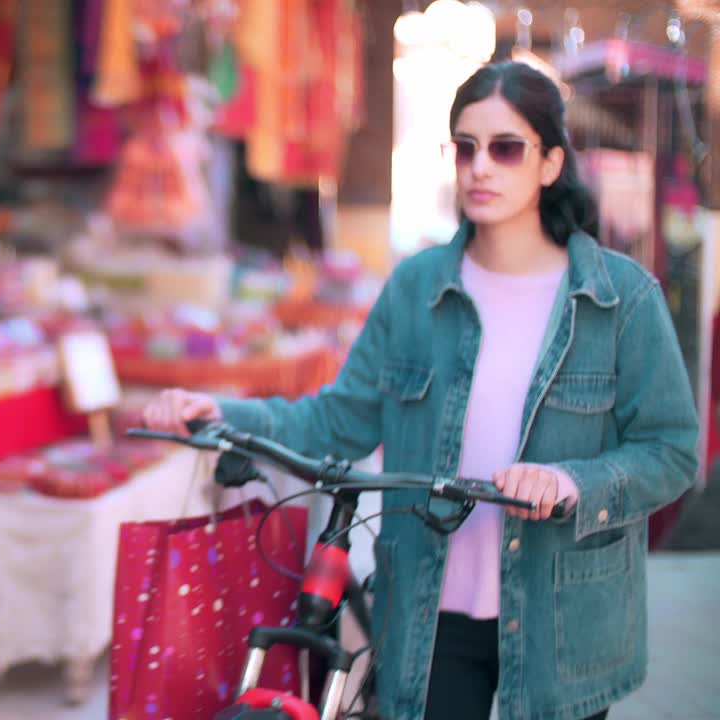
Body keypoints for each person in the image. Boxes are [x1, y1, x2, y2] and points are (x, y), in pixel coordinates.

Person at [142, 61, 697, 720]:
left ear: (549, 163)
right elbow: (338, 422)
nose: (479, 167)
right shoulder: (416, 289)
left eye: (505, 148)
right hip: (431, 613)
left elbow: (671, 451)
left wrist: (571, 482)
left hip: (565, 619)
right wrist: (220, 413)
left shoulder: (620, 298)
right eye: (464, 147)